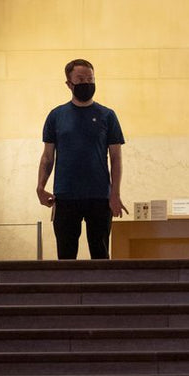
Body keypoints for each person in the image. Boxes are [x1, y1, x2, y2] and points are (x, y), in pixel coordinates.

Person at [37, 59, 127, 260]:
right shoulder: (56, 116)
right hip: (66, 196)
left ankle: (102, 292)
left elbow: (116, 159)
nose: (86, 83)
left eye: (90, 79)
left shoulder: (108, 116)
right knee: (66, 258)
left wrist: (115, 194)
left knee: (101, 255)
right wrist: (40, 187)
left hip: (99, 197)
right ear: (69, 83)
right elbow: (47, 157)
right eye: (80, 79)